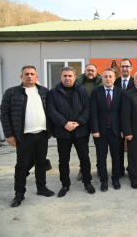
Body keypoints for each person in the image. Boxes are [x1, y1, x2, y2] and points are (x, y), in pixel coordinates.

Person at [0, 65, 55, 207]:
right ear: (21, 76)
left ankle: (41, 188)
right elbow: (4, 115)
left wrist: (50, 129)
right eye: (26, 74)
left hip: (42, 134)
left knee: (41, 162)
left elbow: (50, 111)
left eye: (32, 74)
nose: (29, 76)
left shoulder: (44, 91)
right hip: (24, 136)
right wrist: (9, 135)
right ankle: (19, 193)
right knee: (22, 165)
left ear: (37, 77)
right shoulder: (12, 92)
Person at [47, 66, 95, 197]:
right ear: (61, 77)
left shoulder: (82, 91)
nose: (67, 78)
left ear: (74, 77)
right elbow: (51, 110)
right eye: (65, 76)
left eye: (70, 76)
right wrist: (65, 123)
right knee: (63, 160)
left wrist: (78, 122)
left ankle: (87, 182)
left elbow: (87, 108)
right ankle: (65, 184)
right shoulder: (53, 92)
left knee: (84, 158)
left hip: (81, 131)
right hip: (63, 132)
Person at [90, 68, 124, 191]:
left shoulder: (120, 92)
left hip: (116, 130)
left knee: (116, 157)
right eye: (105, 77)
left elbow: (122, 113)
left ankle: (115, 179)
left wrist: (123, 129)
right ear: (102, 79)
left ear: (114, 78)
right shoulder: (96, 92)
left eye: (110, 76)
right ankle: (104, 180)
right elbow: (93, 112)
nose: (108, 79)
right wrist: (94, 129)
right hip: (100, 131)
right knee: (101, 157)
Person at [75, 63, 103, 181]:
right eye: (88, 70)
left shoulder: (101, 83)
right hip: (83, 119)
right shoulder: (77, 83)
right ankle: (83, 169)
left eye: (92, 70)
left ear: (96, 72)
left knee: (99, 146)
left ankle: (100, 168)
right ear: (84, 72)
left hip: (97, 119)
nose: (90, 72)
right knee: (82, 147)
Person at [115, 59, 135, 176]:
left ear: (131, 68)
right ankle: (119, 170)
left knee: (132, 149)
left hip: (132, 121)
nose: (125, 69)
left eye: (127, 66)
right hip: (116, 121)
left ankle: (131, 169)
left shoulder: (135, 82)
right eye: (122, 66)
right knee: (118, 148)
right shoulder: (115, 81)